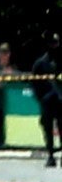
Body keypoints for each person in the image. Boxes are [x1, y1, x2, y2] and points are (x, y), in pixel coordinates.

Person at [31, 33, 62, 167]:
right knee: (47, 129)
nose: (54, 46)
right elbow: (34, 84)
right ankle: (50, 155)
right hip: (47, 102)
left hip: (60, 102)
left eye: (56, 43)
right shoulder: (40, 63)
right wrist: (42, 99)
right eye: (52, 43)